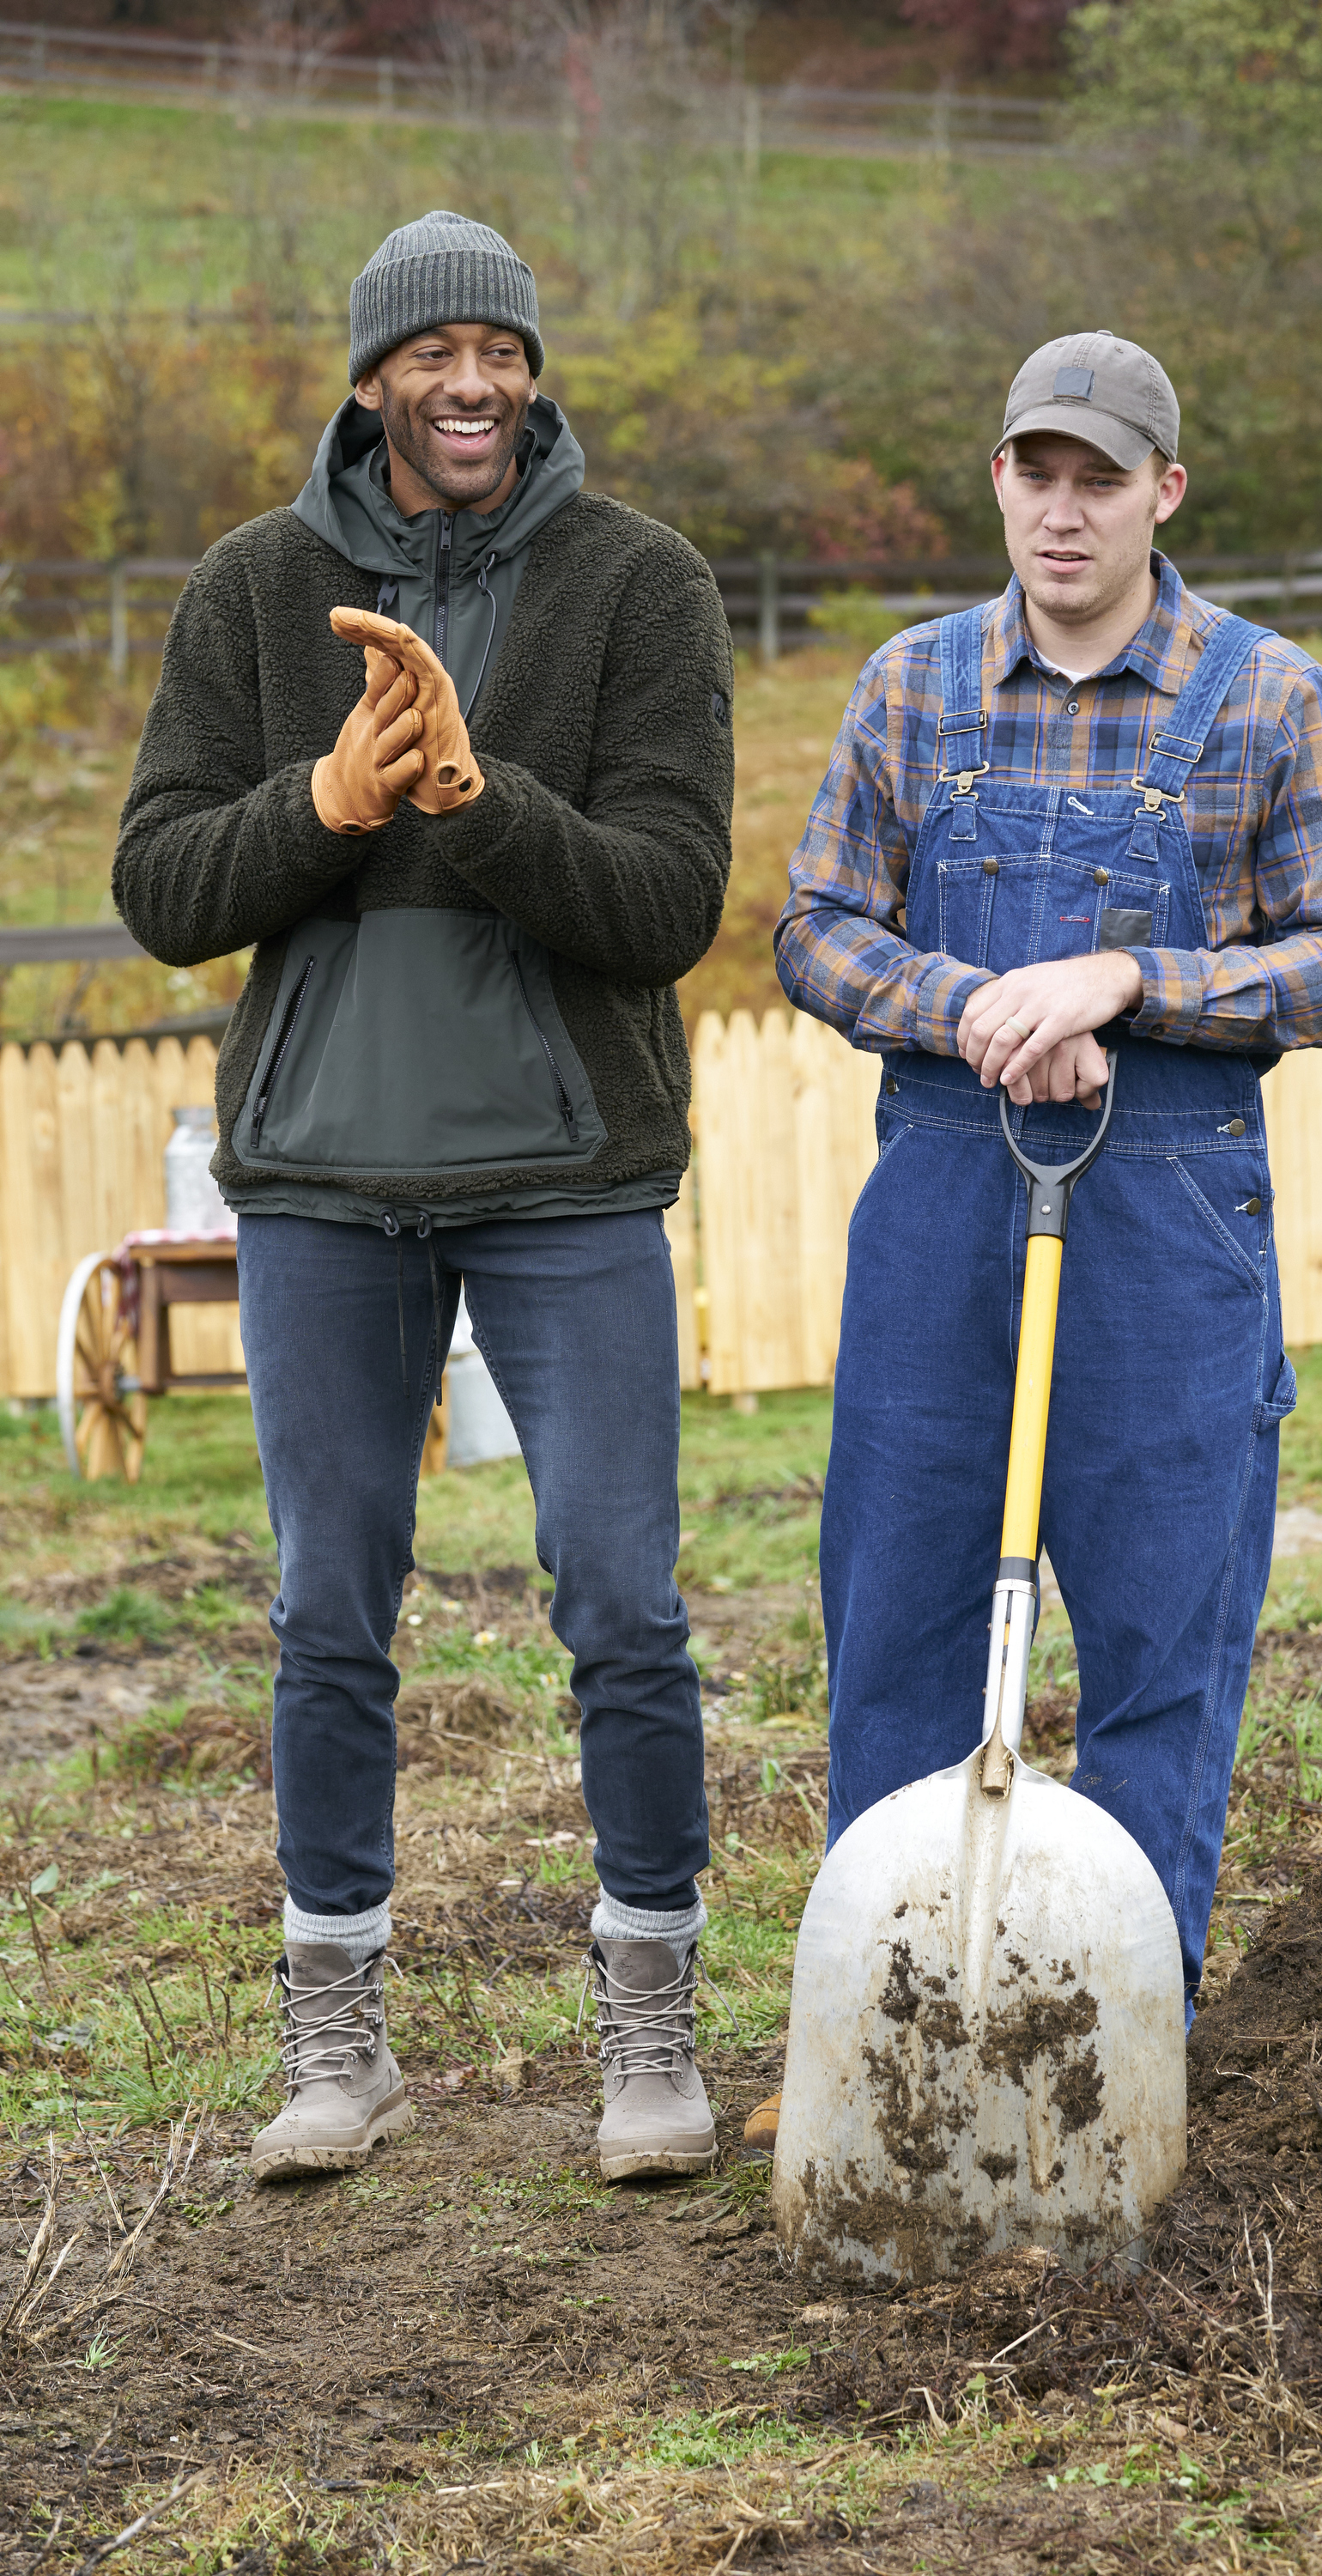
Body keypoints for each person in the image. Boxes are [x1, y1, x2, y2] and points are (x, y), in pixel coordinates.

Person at [113, 211, 735, 2184]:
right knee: (327, 1611)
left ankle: (647, 2029)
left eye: (500, 350)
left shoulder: (639, 584)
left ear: (533, 372)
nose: (468, 385)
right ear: (370, 378)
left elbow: (666, 906)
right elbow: (160, 889)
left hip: (568, 1183)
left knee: (623, 1603)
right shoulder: (255, 587)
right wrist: (331, 800)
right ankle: (341, 2041)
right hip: (319, 1187)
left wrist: (476, 798)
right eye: (429, 354)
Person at [756, 331, 1322, 2136]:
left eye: (1099, 478)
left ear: (1162, 495)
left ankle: (1118, 2048)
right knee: (893, 1617)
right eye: (1035, 472)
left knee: (1159, 1625)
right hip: (948, 1190)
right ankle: (883, 2044)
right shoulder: (912, 688)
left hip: (1169, 1207)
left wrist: (1130, 974)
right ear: (1001, 482)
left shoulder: (1265, 699)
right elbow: (813, 926)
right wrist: (965, 997)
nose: (1063, 508)